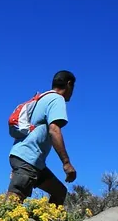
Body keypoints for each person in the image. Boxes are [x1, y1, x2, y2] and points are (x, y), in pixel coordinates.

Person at [6, 70, 77, 206]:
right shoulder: (57, 99)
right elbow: (54, 130)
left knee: (59, 192)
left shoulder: (42, 98)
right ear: (69, 84)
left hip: (30, 160)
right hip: (28, 159)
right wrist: (66, 163)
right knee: (13, 201)